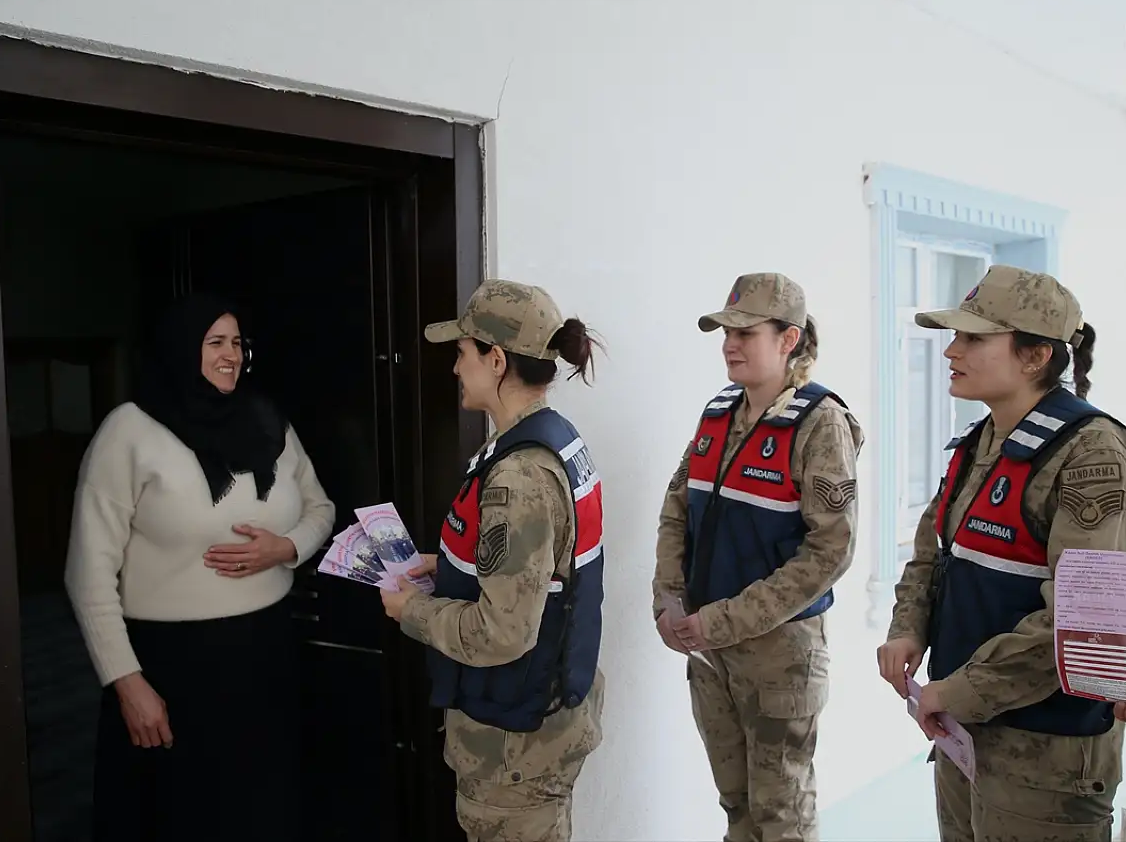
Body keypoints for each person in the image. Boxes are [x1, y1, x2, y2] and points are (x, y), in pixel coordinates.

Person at [876, 265, 1126, 842]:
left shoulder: (1091, 455)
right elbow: (935, 555)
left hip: (1046, 755)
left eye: (974, 338)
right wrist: (908, 628)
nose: (951, 351)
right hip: (964, 732)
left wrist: (956, 692)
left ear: (1035, 357)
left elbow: (1083, 619)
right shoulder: (981, 442)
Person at [65, 294, 336, 842]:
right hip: (171, 666)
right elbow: (87, 573)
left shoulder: (267, 421)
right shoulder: (130, 432)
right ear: (182, 349)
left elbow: (320, 508)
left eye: (237, 343)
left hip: (264, 651)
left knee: (263, 806)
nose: (231, 355)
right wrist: (127, 683)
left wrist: (286, 549)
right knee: (180, 813)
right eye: (216, 342)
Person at [379, 279, 607, 842]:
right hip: (535, 727)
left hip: (514, 748)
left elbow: (503, 632)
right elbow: (537, 572)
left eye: (462, 353)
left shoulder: (519, 476)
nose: (456, 368)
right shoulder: (543, 440)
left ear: (497, 359)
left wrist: (412, 611)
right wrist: (448, 565)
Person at [652, 272, 863, 842]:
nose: (730, 343)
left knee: (782, 815)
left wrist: (718, 621)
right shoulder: (718, 413)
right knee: (737, 807)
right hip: (706, 647)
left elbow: (829, 551)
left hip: (778, 655)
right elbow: (678, 510)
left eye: (747, 331)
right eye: (725, 330)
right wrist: (668, 602)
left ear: (789, 340)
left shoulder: (822, 424)